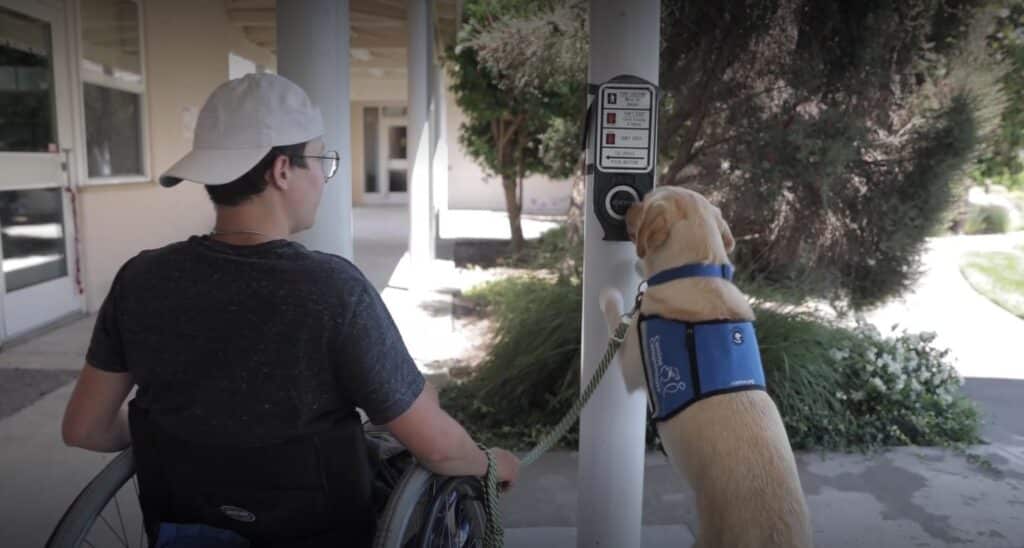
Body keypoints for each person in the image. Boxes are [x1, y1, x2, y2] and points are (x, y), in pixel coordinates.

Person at [61, 73, 519, 547]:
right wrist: (491, 464)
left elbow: (85, 427)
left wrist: (185, 442)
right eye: (321, 160)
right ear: (282, 170)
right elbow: (439, 447)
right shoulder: (332, 290)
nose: (324, 177)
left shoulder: (140, 279)